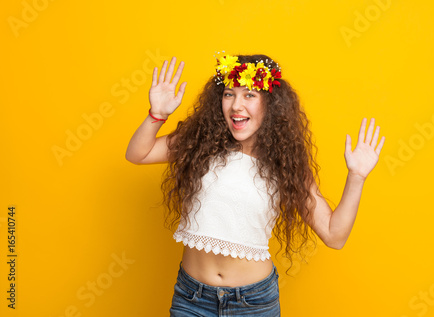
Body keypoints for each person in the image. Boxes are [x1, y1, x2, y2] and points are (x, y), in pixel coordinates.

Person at [125, 53, 385, 316]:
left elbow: (334, 235)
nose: (237, 105)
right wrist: (156, 115)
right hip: (193, 298)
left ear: (270, 105)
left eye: (249, 95)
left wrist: (357, 177)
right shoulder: (199, 143)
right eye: (229, 94)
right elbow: (138, 154)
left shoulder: (285, 164)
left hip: (253, 303)